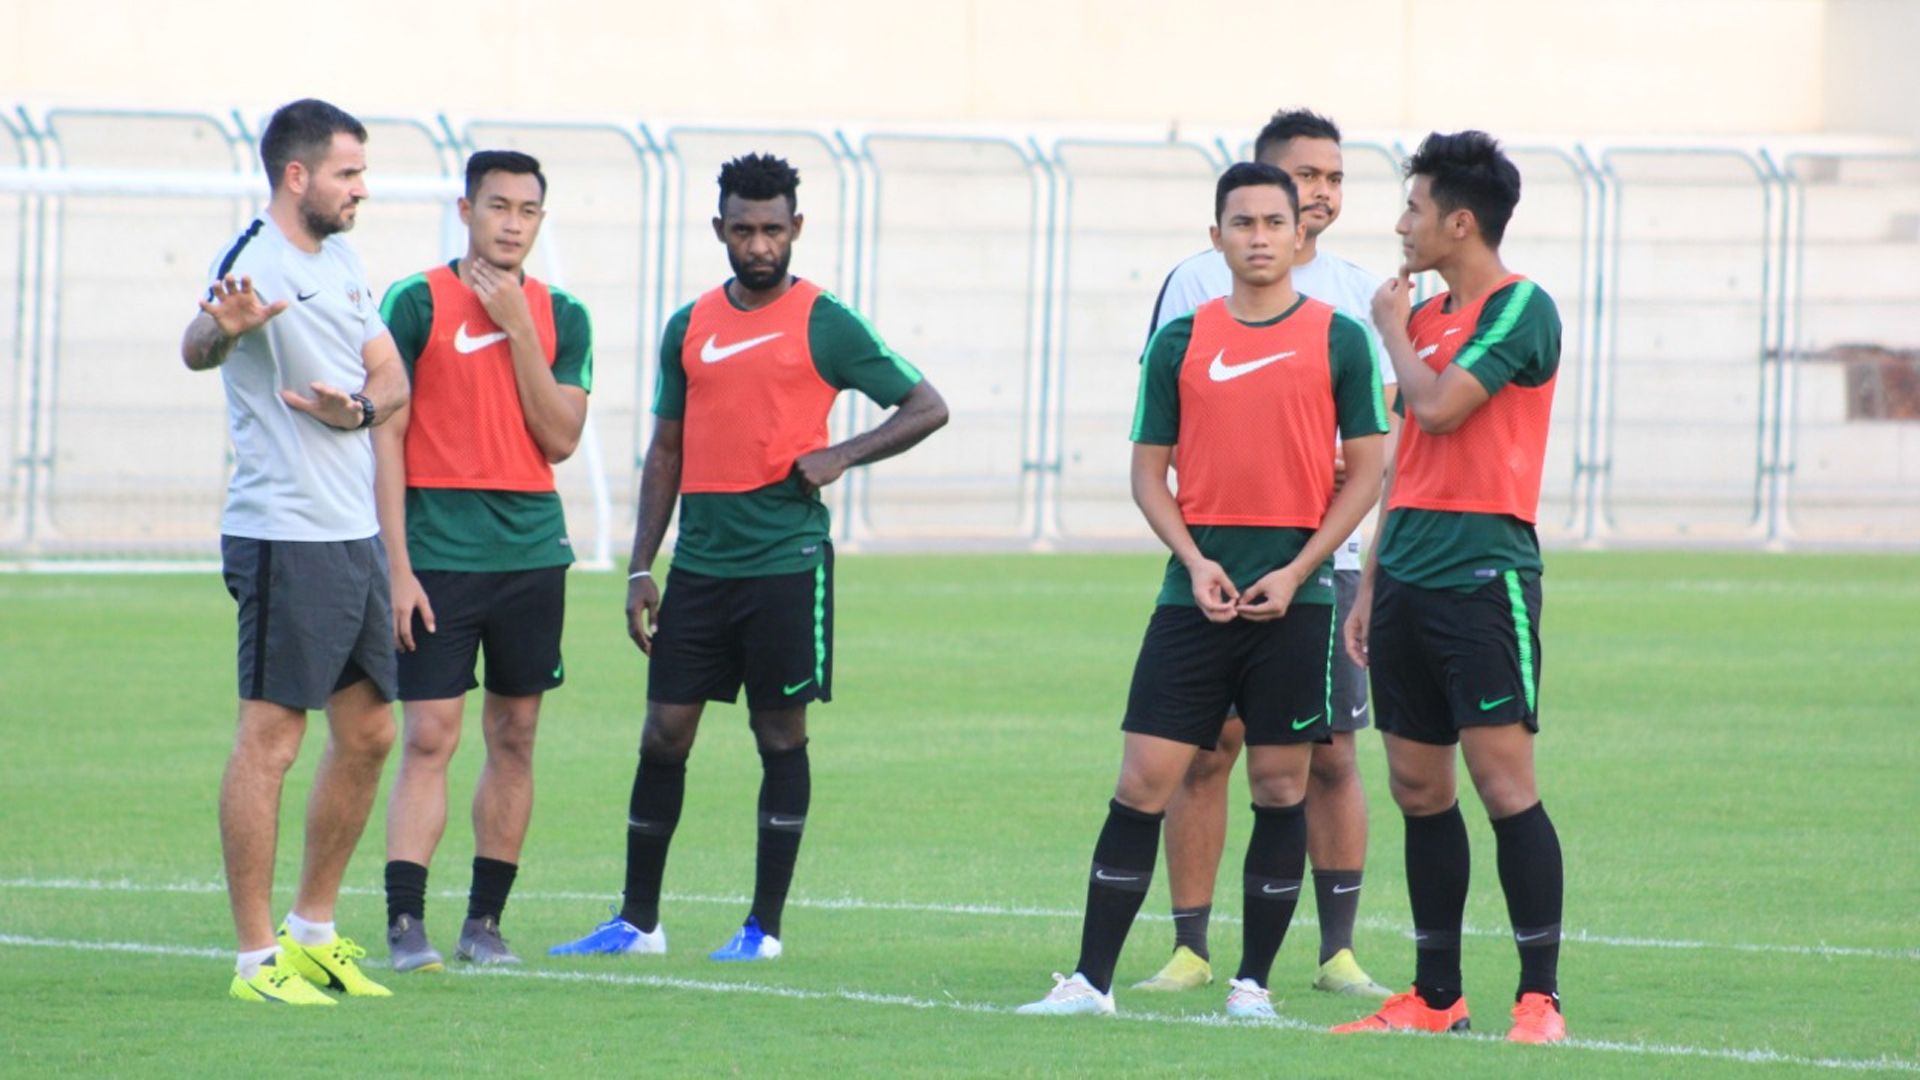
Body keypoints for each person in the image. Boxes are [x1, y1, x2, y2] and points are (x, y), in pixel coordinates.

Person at [549, 153, 948, 962]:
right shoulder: (688, 325)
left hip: (785, 564)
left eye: (773, 229)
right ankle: (638, 922)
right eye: (743, 229)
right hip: (698, 568)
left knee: (779, 737)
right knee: (663, 735)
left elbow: (926, 405)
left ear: (795, 228)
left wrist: (844, 455)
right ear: (719, 230)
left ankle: (763, 927)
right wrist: (638, 567)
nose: (759, 244)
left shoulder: (826, 321)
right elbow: (666, 452)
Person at [1019, 162, 1387, 1018]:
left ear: (1300, 235)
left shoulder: (1340, 338)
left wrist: (1299, 572)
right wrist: (1193, 561)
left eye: (1273, 221)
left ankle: (1253, 986)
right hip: (1194, 601)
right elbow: (1149, 475)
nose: (1258, 236)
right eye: (1241, 222)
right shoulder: (1182, 341)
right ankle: (1091, 982)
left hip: (1298, 605)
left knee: (1280, 788)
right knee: (1143, 780)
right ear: (1215, 234)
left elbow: (1368, 472)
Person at [1136, 108, 1395, 999]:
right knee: (1207, 752)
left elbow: (1380, 435)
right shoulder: (1193, 286)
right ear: (1259, 190)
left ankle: (1337, 952)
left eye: (1333, 177)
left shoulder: (1363, 293)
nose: (1319, 192)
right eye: (1302, 177)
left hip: (1332, 559)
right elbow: (1174, 409)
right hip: (1218, 554)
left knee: (1328, 754)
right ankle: (1191, 948)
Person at [1330, 130, 1566, 1044]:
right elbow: (1408, 458)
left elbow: (1440, 406)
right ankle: (1436, 998)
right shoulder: (1423, 322)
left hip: (1484, 577)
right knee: (1419, 791)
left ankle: (1539, 999)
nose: (1400, 225)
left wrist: (1389, 330)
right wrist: (1369, 585)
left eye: (1414, 209)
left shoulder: (1519, 308)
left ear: (1459, 222)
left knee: (1505, 786)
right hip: (1408, 581)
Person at [180, 97, 409, 1005]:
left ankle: (312, 933)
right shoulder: (252, 264)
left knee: (370, 731)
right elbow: (196, 344)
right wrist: (222, 330)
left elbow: (390, 374)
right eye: (349, 173)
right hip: (284, 535)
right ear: (297, 175)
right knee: (272, 740)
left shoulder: (343, 258)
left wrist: (357, 409)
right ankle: (253, 961)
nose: (362, 189)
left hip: (351, 535)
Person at [373, 150, 593, 971]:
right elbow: (384, 436)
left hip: (532, 551)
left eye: (527, 210)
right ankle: (405, 924)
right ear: (465, 210)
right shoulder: (415, 300)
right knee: (429, 733)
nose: (511, 222)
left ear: (540, 219)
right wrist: (394, 565)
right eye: (496, 205)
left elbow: (560, 438)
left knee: (517, 733)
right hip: (437, 552)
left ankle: (485, 924)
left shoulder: (562, 313)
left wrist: (520, 333)